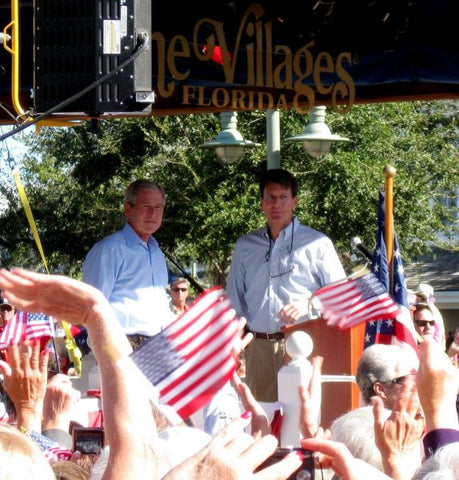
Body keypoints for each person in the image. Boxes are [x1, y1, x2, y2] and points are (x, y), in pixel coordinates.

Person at [225, 168, 345, 402]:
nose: (276, 205)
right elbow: (234, 299)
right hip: (258, 347)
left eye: (283, 198)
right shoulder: (245, 245)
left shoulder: (318, 243)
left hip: (304, 343)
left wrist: (309, 305)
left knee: (300, 421)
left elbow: (340, 294)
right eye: (270, 198)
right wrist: (235, 342)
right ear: (261, 203)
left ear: (295, 201)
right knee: (263, 422)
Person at [82, 179, 173, 349]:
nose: (153, 213)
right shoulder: (109, 250)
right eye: (146, 206)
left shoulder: (157, 253)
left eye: (158, 207)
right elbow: (89, 307)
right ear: (128, 210)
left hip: (160, 346)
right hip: (124, 345)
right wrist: (112, 353)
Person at [355, 343, 418, 409]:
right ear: (380, 390)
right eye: (404, 380)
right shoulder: (363, 419)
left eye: (412, 378)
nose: (413, 385)